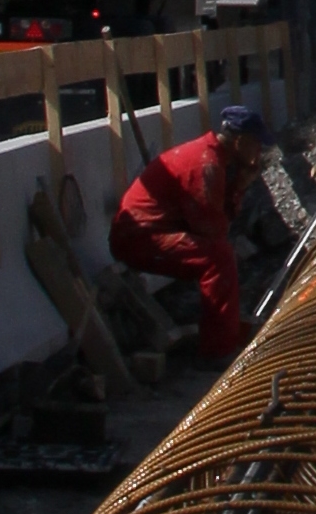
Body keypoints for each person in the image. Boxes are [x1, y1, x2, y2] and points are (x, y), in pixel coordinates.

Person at [109, 99, 274, 363]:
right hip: (137, 238)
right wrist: (240, 187)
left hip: (149, 231)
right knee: (218, 258)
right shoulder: (207, 165)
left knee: (218, 254)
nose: (259, 151)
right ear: (239, 142)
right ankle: (217, 350)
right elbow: (213, 230)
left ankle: (220, 336)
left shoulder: (211, 156)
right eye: (256, 143)